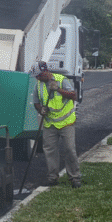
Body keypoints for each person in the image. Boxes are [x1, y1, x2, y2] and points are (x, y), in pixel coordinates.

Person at [31, 60, 81, 188]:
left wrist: (58, 89)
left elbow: (73, 96)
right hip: (50, 124)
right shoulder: (39, 85)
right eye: (36, 76)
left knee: (70, 149)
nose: (37, 78)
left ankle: (74, 178)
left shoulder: (61, 79)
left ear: (45, 72)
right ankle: (52, 178)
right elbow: (36, 101)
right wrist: (40, 109)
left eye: (39, 75)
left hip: (66, 122)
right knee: (50, 151)